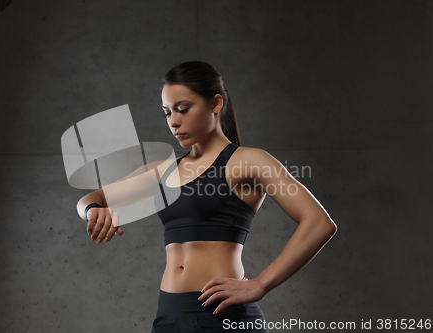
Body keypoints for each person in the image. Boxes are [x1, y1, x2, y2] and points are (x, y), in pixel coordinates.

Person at [76, 61, 337, 332]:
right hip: (168, 317)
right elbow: (91, 198)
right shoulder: (163, 170)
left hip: (223, 317)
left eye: (183, 108)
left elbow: (319, 222)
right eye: (166, 113)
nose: (174, 121)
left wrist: (260, 284)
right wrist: (93, 210)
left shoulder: (247, 161)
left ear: (215, 103)